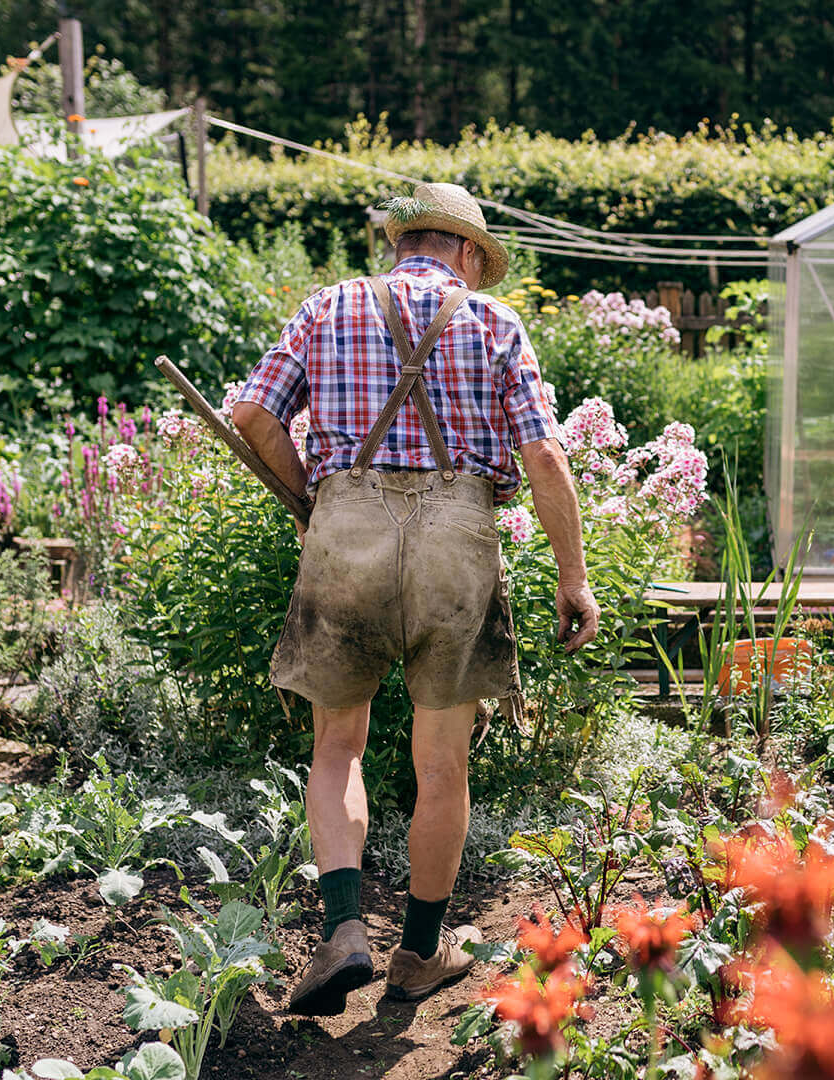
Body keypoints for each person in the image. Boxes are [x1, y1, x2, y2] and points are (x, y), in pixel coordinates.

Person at [230, 182, 600, 1016]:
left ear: (401, 244)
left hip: (347, 529)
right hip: (456, 540)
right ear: (467, 253)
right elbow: (543, 457)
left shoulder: (328, 307)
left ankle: (343, 929)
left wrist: (310, 504)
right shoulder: (494, 321)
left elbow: (252, 414)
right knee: (443, 763)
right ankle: (421, 955)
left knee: (339, 747)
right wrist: (573, 579)